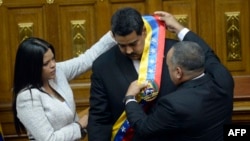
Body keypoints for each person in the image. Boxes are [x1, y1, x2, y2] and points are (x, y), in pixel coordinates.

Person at [87, 7, 223, 141]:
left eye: (133, 44)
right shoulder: (103, 65)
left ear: (144, 32)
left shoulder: (175, 53)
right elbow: (99, 118)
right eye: (122, 45)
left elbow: (209, 70)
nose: (128, 51)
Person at [124, 12, 234, 141]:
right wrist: (178, 28)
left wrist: (130, 98)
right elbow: (208, 53)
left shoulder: (173, 104)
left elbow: (143, 128)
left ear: (178, 72)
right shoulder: (223, 78)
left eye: (168, 65)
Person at [12, 31, 116, 141]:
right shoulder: (27, 97)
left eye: (53, 59)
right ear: (31, 67)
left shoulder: (58, 72)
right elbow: (48, 139)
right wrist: (79, 126)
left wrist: (113, 35)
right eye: (46, 63)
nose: (53, 65)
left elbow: (85, 60)